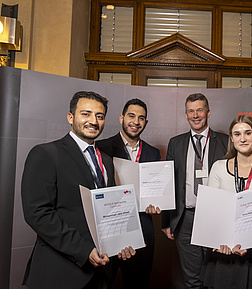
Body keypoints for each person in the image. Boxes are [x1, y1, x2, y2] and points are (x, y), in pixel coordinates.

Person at [21, 91, 134, 289]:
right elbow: (37, 213)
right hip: (60, 271)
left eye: (99, 116)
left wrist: (121, 242)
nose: (93, 121)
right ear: (70, 117)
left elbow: (108, 209)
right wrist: (83, 250)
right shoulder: (46, 154)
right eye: (86, 114)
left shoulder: (106, 161)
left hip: (100, 272)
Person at [204, 114, 252, 289]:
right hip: (223, 248)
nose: (243, 138)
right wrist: (219, 240)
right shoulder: (218, 167)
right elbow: (211, 210)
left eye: (248, 133)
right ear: (231, 138)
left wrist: (250, 239)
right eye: (237, 134)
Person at [161, 93, 228, 289]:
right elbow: (169, 183)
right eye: (191, 111)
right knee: (192, 280)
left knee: (218, 276)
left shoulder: (226, 141)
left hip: (216, 217)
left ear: (208, 113)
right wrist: (167, 221)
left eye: (199, 110)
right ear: (186, 114)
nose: (195, 115)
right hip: (186, 219)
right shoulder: (176, 142)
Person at [97, 98, 161, 289]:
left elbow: (154, 190)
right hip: (109, 229)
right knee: (101, 284)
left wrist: (155, 204)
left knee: (138, 284)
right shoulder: (101, 148)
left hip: (142, 230)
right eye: (131, 116)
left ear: (146, 123)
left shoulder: (153, 152)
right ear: (121, 118)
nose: (136, 121)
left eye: (141, 118)